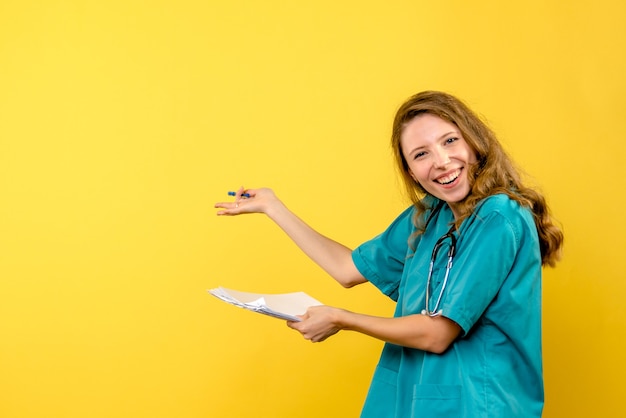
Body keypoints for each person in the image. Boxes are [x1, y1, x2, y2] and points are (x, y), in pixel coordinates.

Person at [214, 91, 564, 417]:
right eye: (421, 154)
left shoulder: (499, 217)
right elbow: (347, 268)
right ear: (411, 171)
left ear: (475, 142)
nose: (441, 161)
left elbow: (437, 333)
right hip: (414, 397)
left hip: (477, 403)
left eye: (450, 141)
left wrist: (342, 319)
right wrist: (274, 208)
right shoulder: (431, 214)